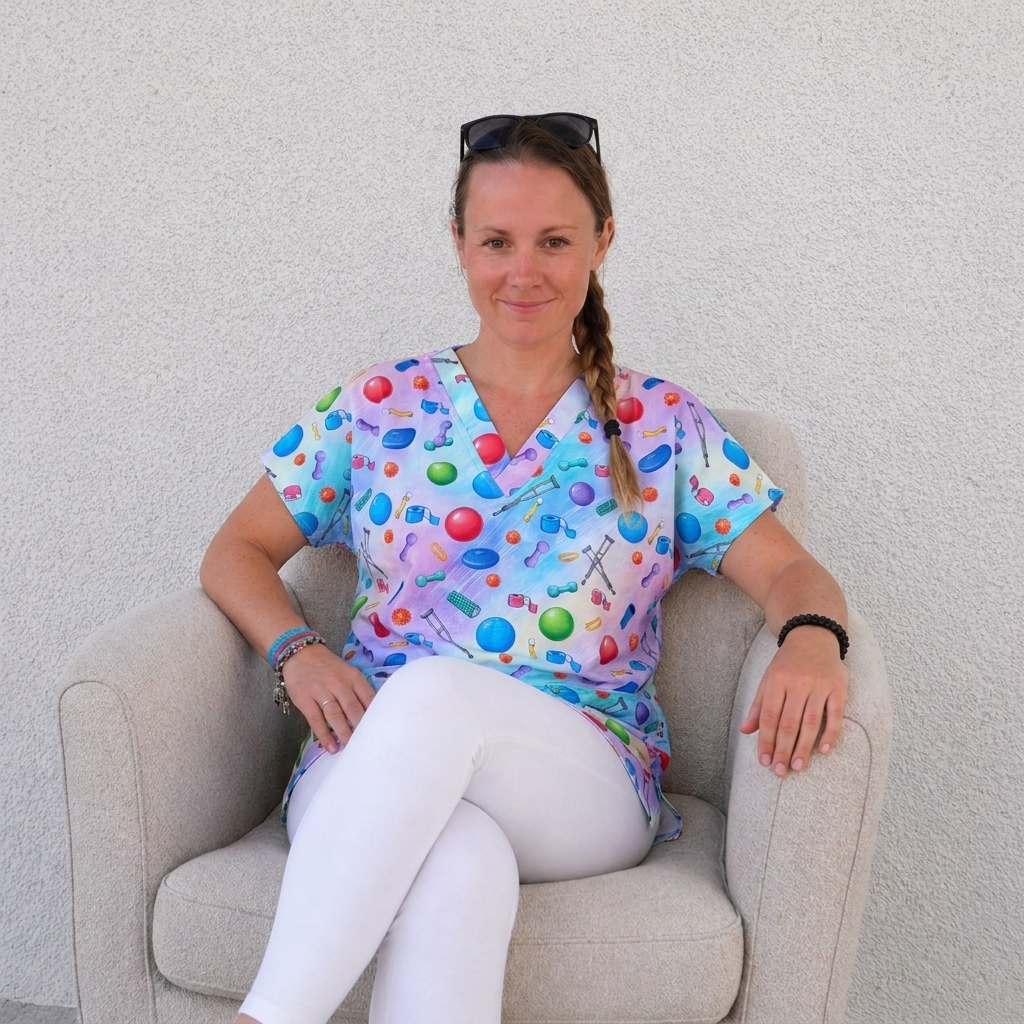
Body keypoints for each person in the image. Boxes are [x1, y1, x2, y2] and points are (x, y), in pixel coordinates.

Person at [200, 113, 850, 1024]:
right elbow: (234, 550)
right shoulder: (378, 403)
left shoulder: (662, 424)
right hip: (363, 760)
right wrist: (296, 650)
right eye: (497, 241)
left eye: (555, 241)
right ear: (459, 243)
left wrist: (813, 641)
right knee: (457, 860)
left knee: (433, 691)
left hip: (581, 776)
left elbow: (793, 576)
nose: (524, 271)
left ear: (602, 243)